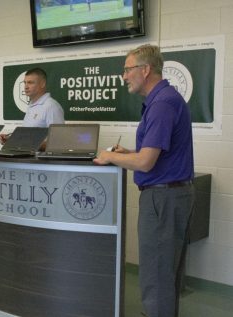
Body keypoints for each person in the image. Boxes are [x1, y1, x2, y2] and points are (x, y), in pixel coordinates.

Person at [94, 44, 194, 317]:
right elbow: (151, 154)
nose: (124, 76)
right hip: (169, 195)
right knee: (165, 273)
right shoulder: (163, 100)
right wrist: (128, 153)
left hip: (162, 198)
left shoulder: (162, 104)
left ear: (145, 69)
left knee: (156, 273)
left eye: (127, 69)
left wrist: (109, 157)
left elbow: (145, 162)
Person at [0, 67, 64, 144]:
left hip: (40, 156)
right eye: (25, 83)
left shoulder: (51, 106)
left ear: (42, 84)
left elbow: (58, 142)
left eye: (30, 82)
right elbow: (29, 137)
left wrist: (30, 144)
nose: (26, 87)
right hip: (27, 154)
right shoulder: (31, 106)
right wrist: (11, 140)